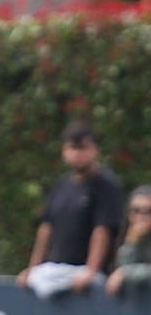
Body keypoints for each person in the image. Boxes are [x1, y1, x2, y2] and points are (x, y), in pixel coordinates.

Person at [16, 121, 125, 299]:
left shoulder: (106, 186)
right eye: (73, 148)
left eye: (83, 148)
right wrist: (33, 267)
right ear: (64, 151)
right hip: (55, 269)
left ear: (95, 150)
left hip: (85, 274)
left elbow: (102, 230)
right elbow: (46, 228)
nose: (78, 154)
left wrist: (91, 270)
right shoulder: (61, 185)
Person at [105, 185, 151, 296]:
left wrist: (125, 272)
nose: (141, 216)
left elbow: (124, 271)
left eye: (149, 211)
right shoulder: (130, 233)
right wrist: (131, 242)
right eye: (136, 210)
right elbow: (118, 268)